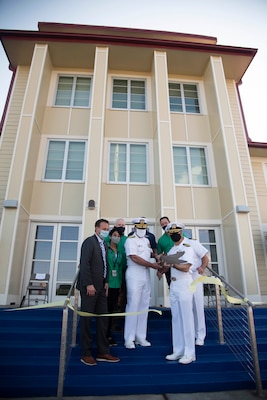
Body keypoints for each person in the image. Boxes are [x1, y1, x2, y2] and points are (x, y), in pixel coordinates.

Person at [77, 218, 120, 366]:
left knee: (104, 319)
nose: (106, 231)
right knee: (87, 320)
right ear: (96, 229)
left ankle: (103, 351)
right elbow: (84, 264)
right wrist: (88, 283)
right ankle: (86, 353)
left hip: (102, 288)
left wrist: (106, 282)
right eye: (104, 228)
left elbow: (105, 265)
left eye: (107, 229)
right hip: (90, 288)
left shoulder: (105, 245)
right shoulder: (89, 242)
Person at [124, 217, 162, 349]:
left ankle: (141, 336)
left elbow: (150, 254)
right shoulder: (130, 240)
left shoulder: (146, 241)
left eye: (143, 228)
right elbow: (134, 257)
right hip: (134, 273)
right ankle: (129, 337)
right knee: (133, 304)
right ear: (134, 228)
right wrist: (153, 266)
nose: (141, 230)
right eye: (139, 228)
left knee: (144, 304)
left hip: (145, 274)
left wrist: (159, 258)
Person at [163, 222, 195, 364]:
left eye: (177, 232)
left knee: (186, 319)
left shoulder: (187, 247)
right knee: (176, 318)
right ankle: (178, 350)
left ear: (181, 232)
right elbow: (166, 266)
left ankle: (190, 353)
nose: (174, 235)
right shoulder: (171, 249)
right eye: (171, 233)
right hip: (174, 284)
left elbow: (186, 267)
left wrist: (172, 263)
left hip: (184, 283)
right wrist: (163, 261)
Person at [106, 226, 126, 346]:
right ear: (110, 236)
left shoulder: (120, 251)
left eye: (118, 236)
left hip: (116, 283)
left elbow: (122, 266)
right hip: (106, 284)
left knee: (112, 309)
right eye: (114, 235)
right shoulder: (104, 248)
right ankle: (105, 336)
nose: (116, 238)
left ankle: (108, 334)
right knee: (106, 310)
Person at [157, 216, 173, 286]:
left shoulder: (180, 235)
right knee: (172, 287)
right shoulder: (161, 240)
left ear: (170, 222)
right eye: (162, 224)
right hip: (169, 267)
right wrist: (160, 270)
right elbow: (159, 256)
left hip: (182, 265)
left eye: (166, 223)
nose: (164, 225)